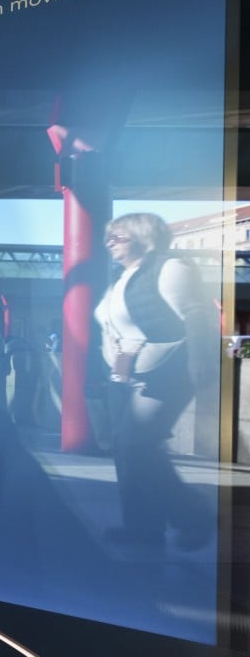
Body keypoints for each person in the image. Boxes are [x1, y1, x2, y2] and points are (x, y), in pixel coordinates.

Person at [94, 212, 215, 550]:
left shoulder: (170, 267)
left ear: (142, 236)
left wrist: (200, 359)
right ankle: (143, 529)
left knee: (136, 446)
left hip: (167, 369)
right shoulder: (124, 276)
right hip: (129, 372)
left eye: (117, 237)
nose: (109, 243)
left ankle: (194, 515)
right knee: (128, 450)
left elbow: (198, 313)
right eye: (109, 237)